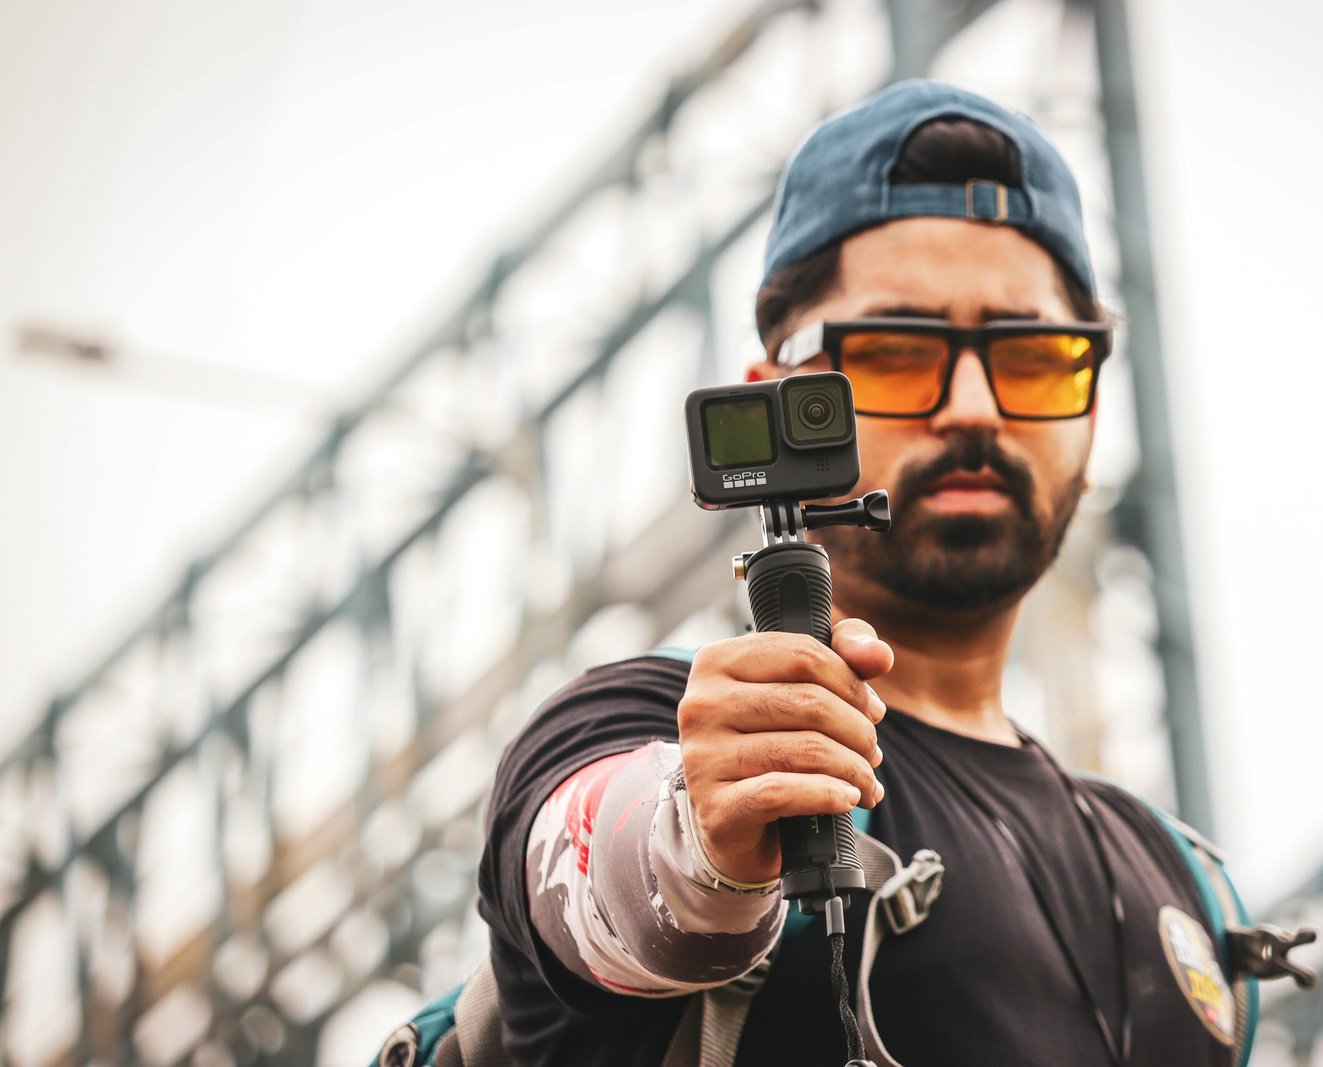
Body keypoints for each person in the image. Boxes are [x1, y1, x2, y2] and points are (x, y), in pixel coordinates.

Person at [477, 80, 1244, 1066]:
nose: (972, 406)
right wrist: (707, 836)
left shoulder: (1172, 873)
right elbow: (612, 871)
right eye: (891, 352)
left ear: (1091, 413)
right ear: (774, 404)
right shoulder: (643, 723)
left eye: (1034, 360)